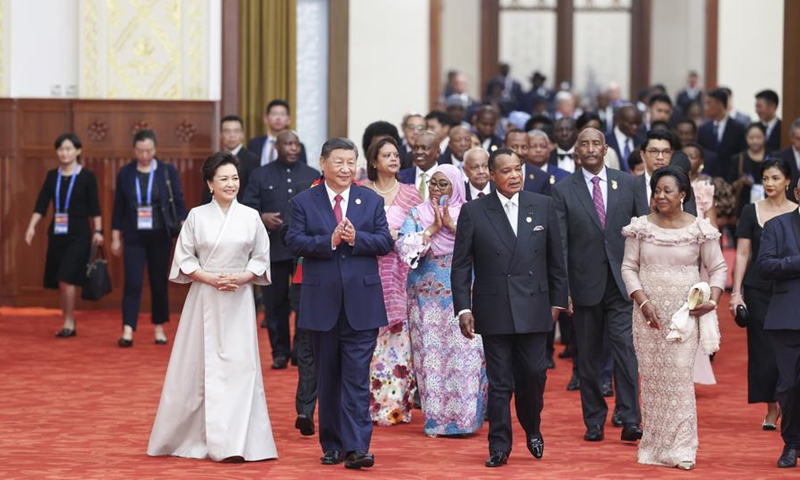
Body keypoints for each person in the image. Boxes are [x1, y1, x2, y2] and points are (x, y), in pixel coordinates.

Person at [147, 151, 276, 462]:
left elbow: (261, 257)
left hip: (239, 298)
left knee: (240, 367)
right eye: (224, 179)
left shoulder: (250, 216)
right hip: (204, 296)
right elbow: (185, 258)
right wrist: (211, 279)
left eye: (235, 178)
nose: (231, 184)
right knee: (196, 368)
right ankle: (193, 437)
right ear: (210, 184)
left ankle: (238, 442)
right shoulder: (196, 216)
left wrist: (242, 277)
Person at [452, 149, 567, 467]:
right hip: (494, 307)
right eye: (506, 171)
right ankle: (499, 445)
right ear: (491, 175)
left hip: (535, 307)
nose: (515, 175)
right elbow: (461, 265)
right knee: (500, 381)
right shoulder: (474, 212)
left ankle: (532, 426)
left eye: (519, 169)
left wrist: (557, 302)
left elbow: (557, 259)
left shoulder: (543, 205)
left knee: (533, 374)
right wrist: (463, 309)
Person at [285, 137, 392, 470]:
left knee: (357, 377)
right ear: (323, 163)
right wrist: (327, 241)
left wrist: (355, 239)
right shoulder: (305, 201)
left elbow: (385, 241)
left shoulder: (370, 200)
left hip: (362, 302)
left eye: (351, 162)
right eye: (339, 162)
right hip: (321, 302)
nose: (346, 168)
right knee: (328, 377)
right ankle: (331, 444)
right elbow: (293, 241)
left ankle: (358, 446)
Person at [621, 165, 727, 470]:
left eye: (668, 190)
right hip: (647, 316)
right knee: (653, 381)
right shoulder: (640, 227)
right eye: (657, 190)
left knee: (679, 379)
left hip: (684, 316)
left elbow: (718, 268)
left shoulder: (699, 228)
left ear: (683, 194)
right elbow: (628, 268)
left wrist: (713, 300)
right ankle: (654, 446)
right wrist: (642, 302)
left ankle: (681, 448)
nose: (661, 196)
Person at [551, 128, 642, 444]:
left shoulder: (628, 183)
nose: (590, 149)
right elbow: (559, 244)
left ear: (605, 149)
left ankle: (631, 418)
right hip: (583, 285)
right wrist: (563, 290)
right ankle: (594, 421)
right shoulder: (563, 190)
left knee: (625, 351)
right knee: (587, 359)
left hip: (622, 285)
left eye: (595, 144)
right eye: (584, 144)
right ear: (577, 151)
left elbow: (641, 232)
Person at [397, 164, 488, 437]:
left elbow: (486, 246)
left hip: (464, 297)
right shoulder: (417, 213)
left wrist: (451, 226)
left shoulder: (472, 213)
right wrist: (433, 228)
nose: (437, 190)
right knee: (431, 358)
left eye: (443, 184)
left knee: (467, 355)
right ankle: (436, 420)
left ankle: (466, 420)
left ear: (457, 186)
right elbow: (404, 248)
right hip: (426, 302)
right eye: (433, 184)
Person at [243, 130, 319, 367]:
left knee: (304, 302)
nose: (293, 148)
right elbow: (246, 208)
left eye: (296, 144)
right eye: (288, 144)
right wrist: (261, 217)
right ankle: (279, 351)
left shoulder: (313, 175)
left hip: (304, 253)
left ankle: (299, 350)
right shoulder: (260, 175)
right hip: (273, 248)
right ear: (277, 146)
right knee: (274, 304)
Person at [731, 158, 797, 430]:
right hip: (758, 288)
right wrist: (736, 293)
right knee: (763, 351)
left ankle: (790, 404)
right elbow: (743, 253)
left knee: (790, 351)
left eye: (775, 178)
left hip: (792, 289)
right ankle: (772, 408)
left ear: (788, 182)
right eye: (765, 179)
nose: (769, 183)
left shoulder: (797, 212)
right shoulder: (751, 211)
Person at [111, 129, 187, 347]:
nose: (145, 155)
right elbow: (119, 208)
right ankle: (127, 329)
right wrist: (115, 237)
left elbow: (178, 200)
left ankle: (159, 327)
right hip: (133, 236)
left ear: (155, 149)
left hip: (160, 235)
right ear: (134, 150)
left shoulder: (166, 171)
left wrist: (184, 227)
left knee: (158, 283)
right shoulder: (126, 173)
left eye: (149, 150)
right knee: (132, 283)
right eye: (140, 151)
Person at [363, 137, 420, 426]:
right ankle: (367, 407)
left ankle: (397, 408)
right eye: (386, 155)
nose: (393, 159)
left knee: (399, 345)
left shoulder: (411, 194)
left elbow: (423, 233)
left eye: (396, 155)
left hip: (401, 275)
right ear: (374, 162)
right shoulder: (361, 192)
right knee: (369, 344)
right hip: (366, 274)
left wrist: (404, 238)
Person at [25, 133, 103, 337]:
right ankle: (67, 318)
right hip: (57, 234)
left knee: (66, 277)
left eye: (69, 149)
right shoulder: (52, 176)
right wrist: (32, 226)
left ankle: (69, 322)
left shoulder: (87, 176)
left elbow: (95, 208)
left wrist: (98, 231)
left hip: (79, 235)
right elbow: (41, 204)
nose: (64, 153)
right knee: (60, 281)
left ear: (78, 151)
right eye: (60, 149)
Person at [757, 177, 800, 468]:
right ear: (797, 192)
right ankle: (792, 443)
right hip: (788, 318)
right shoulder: (777, 226)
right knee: (789, 385)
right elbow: (765, 266)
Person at [202, 115, 260, 204]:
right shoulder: (214, 159)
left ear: (242, 134)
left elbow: (253, 190)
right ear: (221, 134)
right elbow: (208, 189)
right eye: (227, 131)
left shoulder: (252, 160)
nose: (232, 135)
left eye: (236, 131)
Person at [698, 88, 747, 181]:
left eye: (708, 103)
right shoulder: (703, 129)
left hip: (731, 179)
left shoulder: (739, 128)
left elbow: (742, 155)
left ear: (719, 105)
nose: (705, 107)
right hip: (707, 180)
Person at [247, 99, 308, 165]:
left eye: (282, 114)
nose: (278, 118)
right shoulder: (254, 144)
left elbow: (302, 170)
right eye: (274, 114)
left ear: (289, 120)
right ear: (266, 118)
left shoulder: (297, 146)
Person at [731, 123, 770, 216]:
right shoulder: (739, 158)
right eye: (751, 138)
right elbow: (730, 184)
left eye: (758, 137)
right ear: (746, 138)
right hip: (744, 207)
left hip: (769, 206)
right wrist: (741, 181)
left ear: (765, 137)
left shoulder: (772, 157)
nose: (755, 141)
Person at [399, 130, 439, 201]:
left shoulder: (448, 178)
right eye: (415, 148)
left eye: (424, 148)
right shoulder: (400, 177)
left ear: (438, 152)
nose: (419, 152)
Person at [607, 105, 645, 173]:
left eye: (637, 124)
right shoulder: (606, 141)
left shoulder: (641, 142)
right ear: (618, 120)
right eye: (631, 123)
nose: (635, 127)